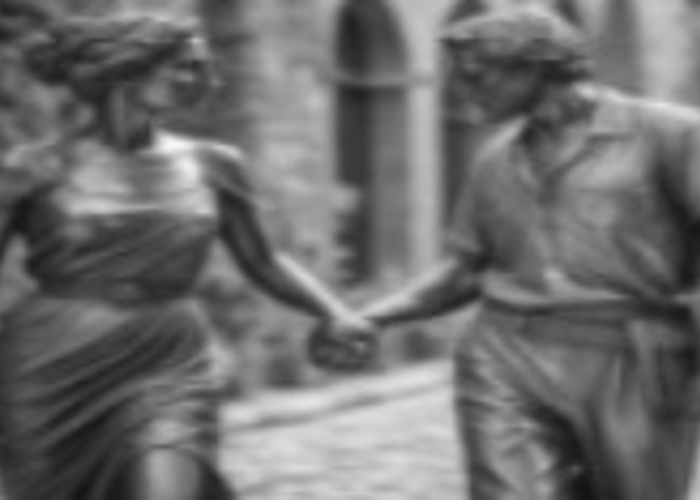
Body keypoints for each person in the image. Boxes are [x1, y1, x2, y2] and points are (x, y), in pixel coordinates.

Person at [0, 11, 374, 500]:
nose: (208, 80)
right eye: (188, 66)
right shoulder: (35, 167)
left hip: (167, 355)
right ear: (131, 70)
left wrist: (334, 311)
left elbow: (262, 259)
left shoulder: (214, 164)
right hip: (53, 360)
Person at [359, 6, 700, 500]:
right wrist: (373, 317)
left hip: (635, 358)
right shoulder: (495, 158)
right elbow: (464, 269)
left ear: (536, 67)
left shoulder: (671, 135)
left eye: (477, 75)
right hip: (506, 354)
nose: (462, 89)